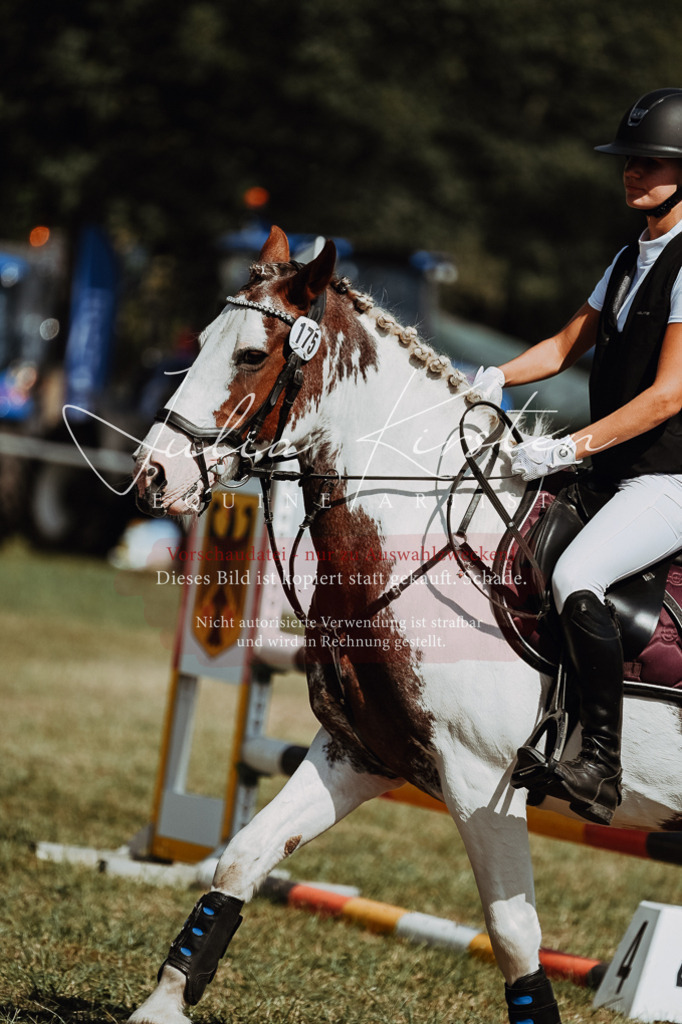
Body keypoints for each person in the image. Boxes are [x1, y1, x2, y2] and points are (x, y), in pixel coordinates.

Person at [472, 88, 682, 825]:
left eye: (650, 162)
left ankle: (599, 764)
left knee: (577, 573)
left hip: (669, 478)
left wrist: (566, 445)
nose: (632, 173)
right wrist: (492, 376)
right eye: (628, 161)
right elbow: (563, 348)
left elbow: (666, 397)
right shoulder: (629, 256)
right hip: (614, 471)